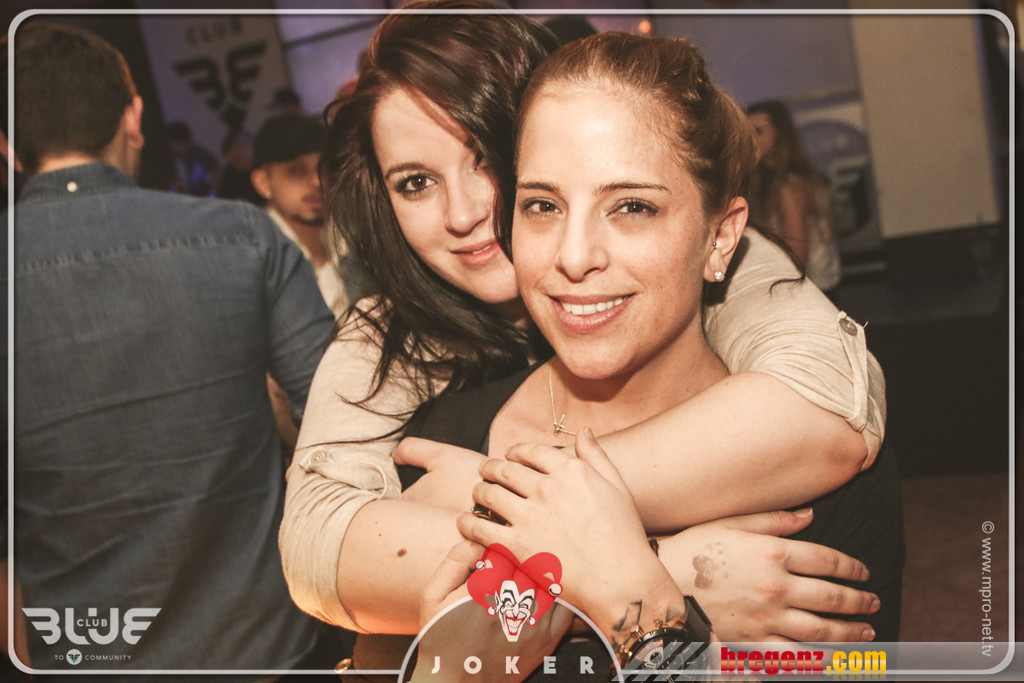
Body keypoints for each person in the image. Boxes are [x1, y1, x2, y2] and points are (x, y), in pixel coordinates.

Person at [281, 0, 887, 648]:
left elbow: (831, 404)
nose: (461, 214)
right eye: (415, 183)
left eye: (485, 159)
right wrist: (648, 570)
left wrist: (505, 499)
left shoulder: (719, 256)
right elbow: (319, 545)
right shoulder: (393, 339)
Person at [9, 22, 335, 673]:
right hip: (268, 643)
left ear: (8, 147)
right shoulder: (242, 236)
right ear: (134, 118)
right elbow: (342, 416)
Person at [252, 112, 349, 317]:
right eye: (296, 171)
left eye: (322, 168)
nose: (317, 181)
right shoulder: (257, 259)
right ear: (263, 183)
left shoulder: (352, 235)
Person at [747, 99, 842, 296]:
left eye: (759, 131)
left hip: (811, 290)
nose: (751, 140)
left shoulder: (789, 186)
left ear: (780, 133)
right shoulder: (782, 180)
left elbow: (797, 254)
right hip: (818, 287)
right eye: (746, 133)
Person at [165, 120, 221, 197]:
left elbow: (216, 176)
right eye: (179, 144)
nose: (181, 149)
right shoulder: (166, 160)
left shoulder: (201, 156)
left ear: (189, 141)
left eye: (183, 144)